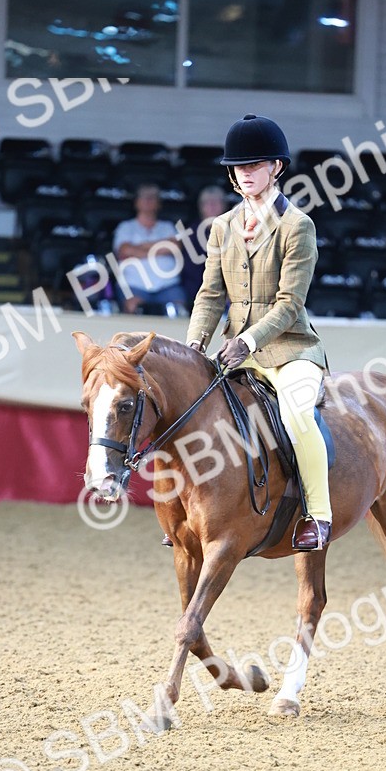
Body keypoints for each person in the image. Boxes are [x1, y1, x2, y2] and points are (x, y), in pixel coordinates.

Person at [185, 113, 332, 551]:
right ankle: (187, 511)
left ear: (276, 168)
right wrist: (195, 344)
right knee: (190, 408)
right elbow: (210, 295)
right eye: (239, 167)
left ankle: (317, 514)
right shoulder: (222, 227)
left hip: (290, 350)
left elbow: (291, 305)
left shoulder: (297, 227)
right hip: (233, 350)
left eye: (255, 165)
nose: (246, 173)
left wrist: (247, 340)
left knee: (296, 415)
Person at [112, 184, 187, 314]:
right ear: (136, 202)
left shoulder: (167, 226)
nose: (148, 200)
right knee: (132, 307)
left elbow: (175, 246)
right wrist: (161, 247)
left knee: (179, 310)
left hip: (167, 286)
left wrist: (139, 248)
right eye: (144, 197)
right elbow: (125, 250)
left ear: (159, 204)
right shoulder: (126, 227)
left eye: (152, 198)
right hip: (134, 285)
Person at [180, 185, 229, 309]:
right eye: (207, 203)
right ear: (201, 207)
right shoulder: (191, 232)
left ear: (224, 206)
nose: (212, 206)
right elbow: (190, 269)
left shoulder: (235, 230)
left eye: (216, 202)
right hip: (198, 287)